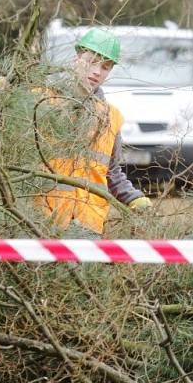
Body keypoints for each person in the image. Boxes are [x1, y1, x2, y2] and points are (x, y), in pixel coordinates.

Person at [38, 28, 151, 235]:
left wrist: (133, 197)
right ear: (77, 58)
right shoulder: (42, 101)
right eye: (91, 62)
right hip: (43, 221)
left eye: (106, 67)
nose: (97, 71)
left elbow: (112, 173)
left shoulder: (111, 117)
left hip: (87, 227)